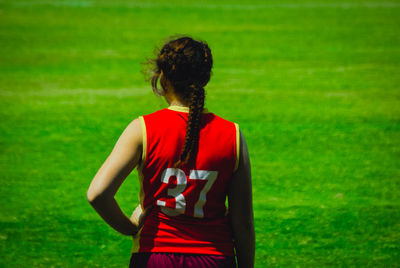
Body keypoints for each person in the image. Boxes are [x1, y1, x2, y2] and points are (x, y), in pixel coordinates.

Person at [87, 36, 255, 268]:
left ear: (163, 78)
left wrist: (130, 227)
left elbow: (97, 194)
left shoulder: (142, 129)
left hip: (154, 256)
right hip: (215, 259)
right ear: (205, 78)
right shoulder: (232, 135)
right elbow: (243, 222)